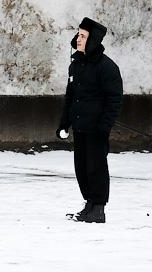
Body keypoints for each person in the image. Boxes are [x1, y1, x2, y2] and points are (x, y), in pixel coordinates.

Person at [56, 17, 123, 224]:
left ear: (92, 40)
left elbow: (114, 99)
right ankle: (89, 204)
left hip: (97, 129)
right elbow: (70, 97)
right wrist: (64, 123)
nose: (78, 39)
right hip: (80, 126)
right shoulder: (76, 65)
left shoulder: (106, 67)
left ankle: (99, 208)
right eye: (78, 34)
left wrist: (104, 126)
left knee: (96, 167)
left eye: (83, 36)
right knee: (82, 168)